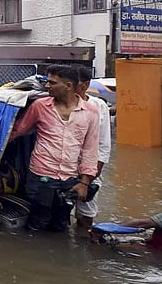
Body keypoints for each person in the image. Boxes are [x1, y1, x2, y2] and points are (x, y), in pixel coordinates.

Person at [8, 64, 99, 232]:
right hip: (41, 176)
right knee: (37, 224)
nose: (47, 86)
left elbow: (90, 149)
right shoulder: (40, 106)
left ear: (69, 86)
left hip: (70, 179)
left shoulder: (91, 112)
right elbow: (16, 131)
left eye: (52, 83)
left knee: (61, 225)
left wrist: (85, 183)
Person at [74, 66, 112, 229]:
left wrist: (91, 175)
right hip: (62, 168)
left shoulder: (99, 106)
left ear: (85, 85)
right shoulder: (55, 104)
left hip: (89, 168)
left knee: (86, 214)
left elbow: (103, 144)